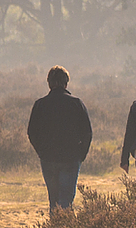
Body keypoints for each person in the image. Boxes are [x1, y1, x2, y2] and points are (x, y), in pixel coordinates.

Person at [27, 65, 93, 211]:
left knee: (54, 199)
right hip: (71, 158)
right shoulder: (76, 103)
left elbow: (32, 132)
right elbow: (87, 132)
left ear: (49, 83)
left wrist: (41, 152)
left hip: (48, 158)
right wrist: (80, 155)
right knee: (66, 200)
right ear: (66, 83)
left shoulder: (40, 105)